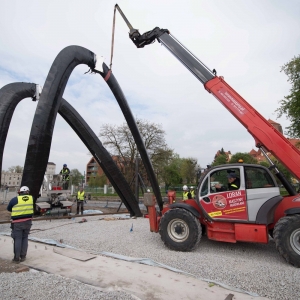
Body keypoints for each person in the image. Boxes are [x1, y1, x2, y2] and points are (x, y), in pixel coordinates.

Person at [6, 186, 33, 263]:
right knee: (25, 238)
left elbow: (9, 208)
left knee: (18, 239)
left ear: (19, 192)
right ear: (28, 192)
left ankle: (16, 258)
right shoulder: (31, 198)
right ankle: (23, 256)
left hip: (17, 223)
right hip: (28, 222)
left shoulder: (15, 200)